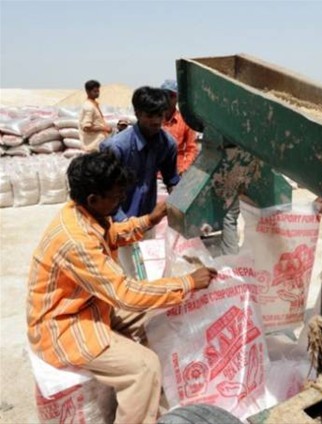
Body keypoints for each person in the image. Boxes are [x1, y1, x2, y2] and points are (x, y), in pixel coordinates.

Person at [26, 151, 217, 424]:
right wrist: (187, 282)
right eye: (116, 197)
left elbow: (111, 236)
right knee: (145, 368)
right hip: (63, 324)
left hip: (89, 305)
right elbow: (125, 294)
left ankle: (154, 395)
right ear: (94, 199)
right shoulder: (76, 240)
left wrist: (148, 220)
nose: (121, 201)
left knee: (159, 311)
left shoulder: (84, 213)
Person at [100, 86, 180, 276]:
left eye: (160, 115)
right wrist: (122, 221)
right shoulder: (117, 148)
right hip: (119, 221)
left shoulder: (167, 144)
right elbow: (104, 190)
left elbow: (172, 180)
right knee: (125, 276)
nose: (156, 121)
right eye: (150, 115)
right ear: (137, 113)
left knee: (146, 272)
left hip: (147, 220)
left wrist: (180, 206)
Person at [160, 79, 199, 175]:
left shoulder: (185, 121)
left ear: (177, 98)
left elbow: (192, 148)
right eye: (164, 94)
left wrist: (184, 168)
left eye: (171, 95)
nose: (167, 99)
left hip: (175, 176)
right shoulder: (152, 119)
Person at [79, 80, 112, 152]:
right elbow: (86, 128)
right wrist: (104, 128)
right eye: (95, 91)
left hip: (98, 144)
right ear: (87, 92)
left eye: (98, 91)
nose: (97, 93)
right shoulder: (89, 107)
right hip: (93, 145)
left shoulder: (93, 104)